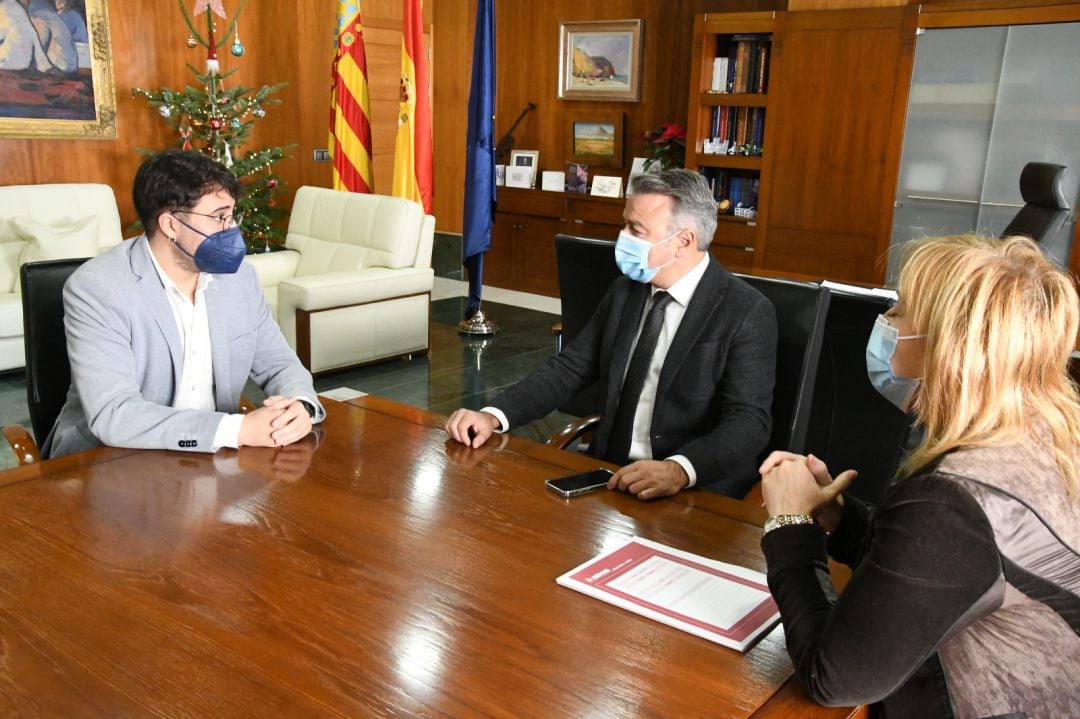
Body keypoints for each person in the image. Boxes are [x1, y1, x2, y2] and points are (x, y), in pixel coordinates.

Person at [758, 234, 1080, 717]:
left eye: (899, 313)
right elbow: (954, 567)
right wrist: (837, 520)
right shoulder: (1044, 435)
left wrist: (789, 527)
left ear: (947, 346)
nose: (885, 325)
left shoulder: (952, 498)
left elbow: (837, 678)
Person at [446, 169, 777, 499]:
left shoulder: (745, 311)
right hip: (610, 475)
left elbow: (749, 421)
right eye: (624, 224)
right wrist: (492, 415)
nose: (622, 237)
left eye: (635, 228)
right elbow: (570, 368)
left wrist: (679, 469)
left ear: (684, 241)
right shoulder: (626, 291)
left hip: (693, 490)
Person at [43, 150, 325, 458]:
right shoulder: (99, 288)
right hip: (109, 461)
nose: (232, 230)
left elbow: (279, 363)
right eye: (219, 217)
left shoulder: (239, 279)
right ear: (171, 224)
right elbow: (114, 414)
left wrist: (299, 404)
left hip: (213, 458)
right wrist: (237, 429)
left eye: (233, 216)